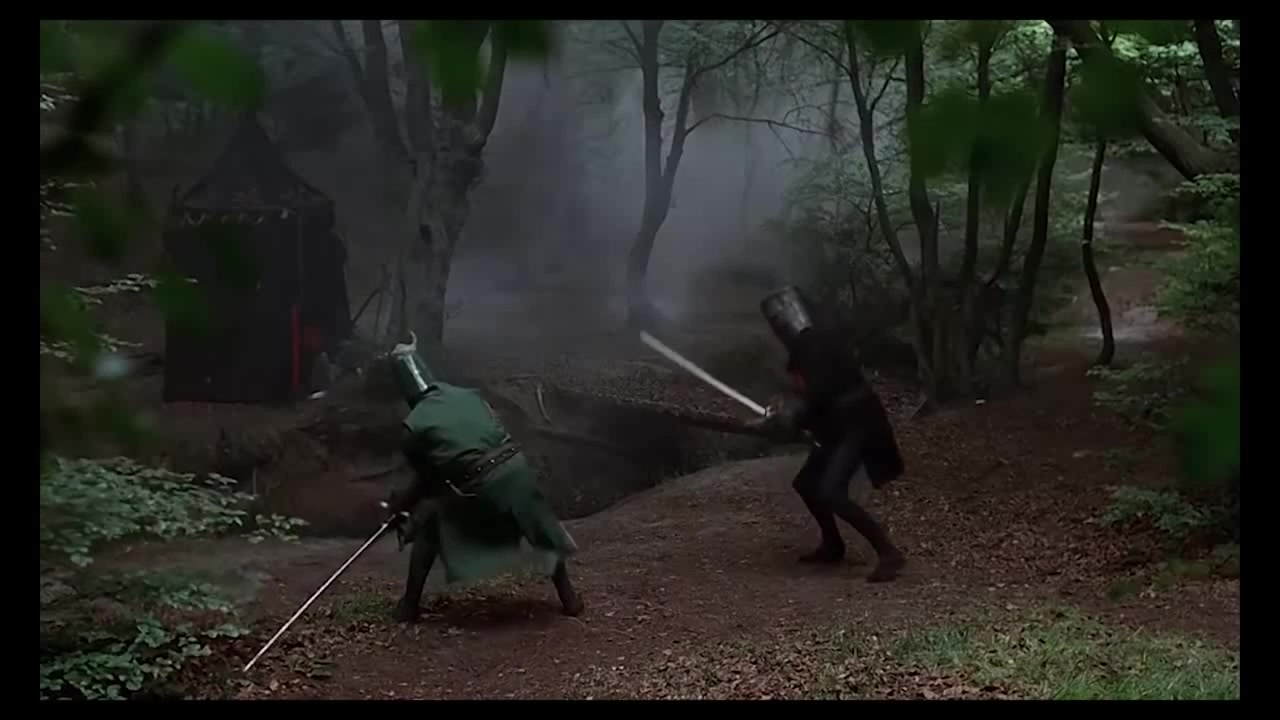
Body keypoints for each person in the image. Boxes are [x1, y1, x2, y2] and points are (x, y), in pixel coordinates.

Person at [380, 333, 584, 622]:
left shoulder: (414, 426)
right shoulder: (467, 395)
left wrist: (400, 506)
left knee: (429, 525)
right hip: (516, 468)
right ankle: (569, 598)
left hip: (481, 482)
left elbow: (427, 481)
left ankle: (409, 606)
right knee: (539, 527)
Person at [750, 286, 907, 583]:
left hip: (856, 423)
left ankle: (888, 553)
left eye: (779, 320)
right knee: (806, 483)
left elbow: (821, 393)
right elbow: (817, 395)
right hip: (838, 425)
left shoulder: (817, 343)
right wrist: (789, 417)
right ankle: (833, 545)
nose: (778, 326)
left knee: (831, 491)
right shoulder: (810, 345)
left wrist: (793, 419)